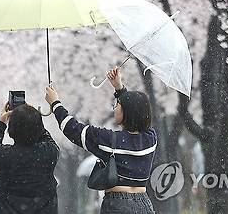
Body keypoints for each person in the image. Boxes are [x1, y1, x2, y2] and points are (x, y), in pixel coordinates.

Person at [45, 67, 157, 214]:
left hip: (118, 204)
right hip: (144, 203)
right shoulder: (150, 139)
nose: (114, 106)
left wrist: (55, 104)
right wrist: (119, 88)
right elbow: (135, 110)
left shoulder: (109, 141)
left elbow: (73, 129)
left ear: (126, 111)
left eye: (117, 104)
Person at [0, 102, 60, 213]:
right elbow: (47, 139)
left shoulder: (3, 155)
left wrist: (1, 123)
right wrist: (33, 117)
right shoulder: (48, 153)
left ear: (11, 130)